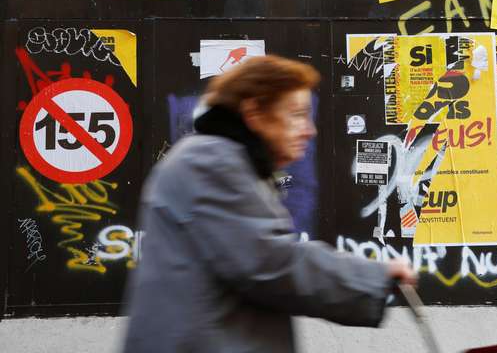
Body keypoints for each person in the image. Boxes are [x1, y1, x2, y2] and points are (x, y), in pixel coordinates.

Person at [122, 55, 416, 353]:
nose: (309, 130)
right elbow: (271, 263)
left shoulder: (222, 161)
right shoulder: (212, 163)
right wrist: (373, 277)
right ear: (254, 112)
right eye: (297, 114)